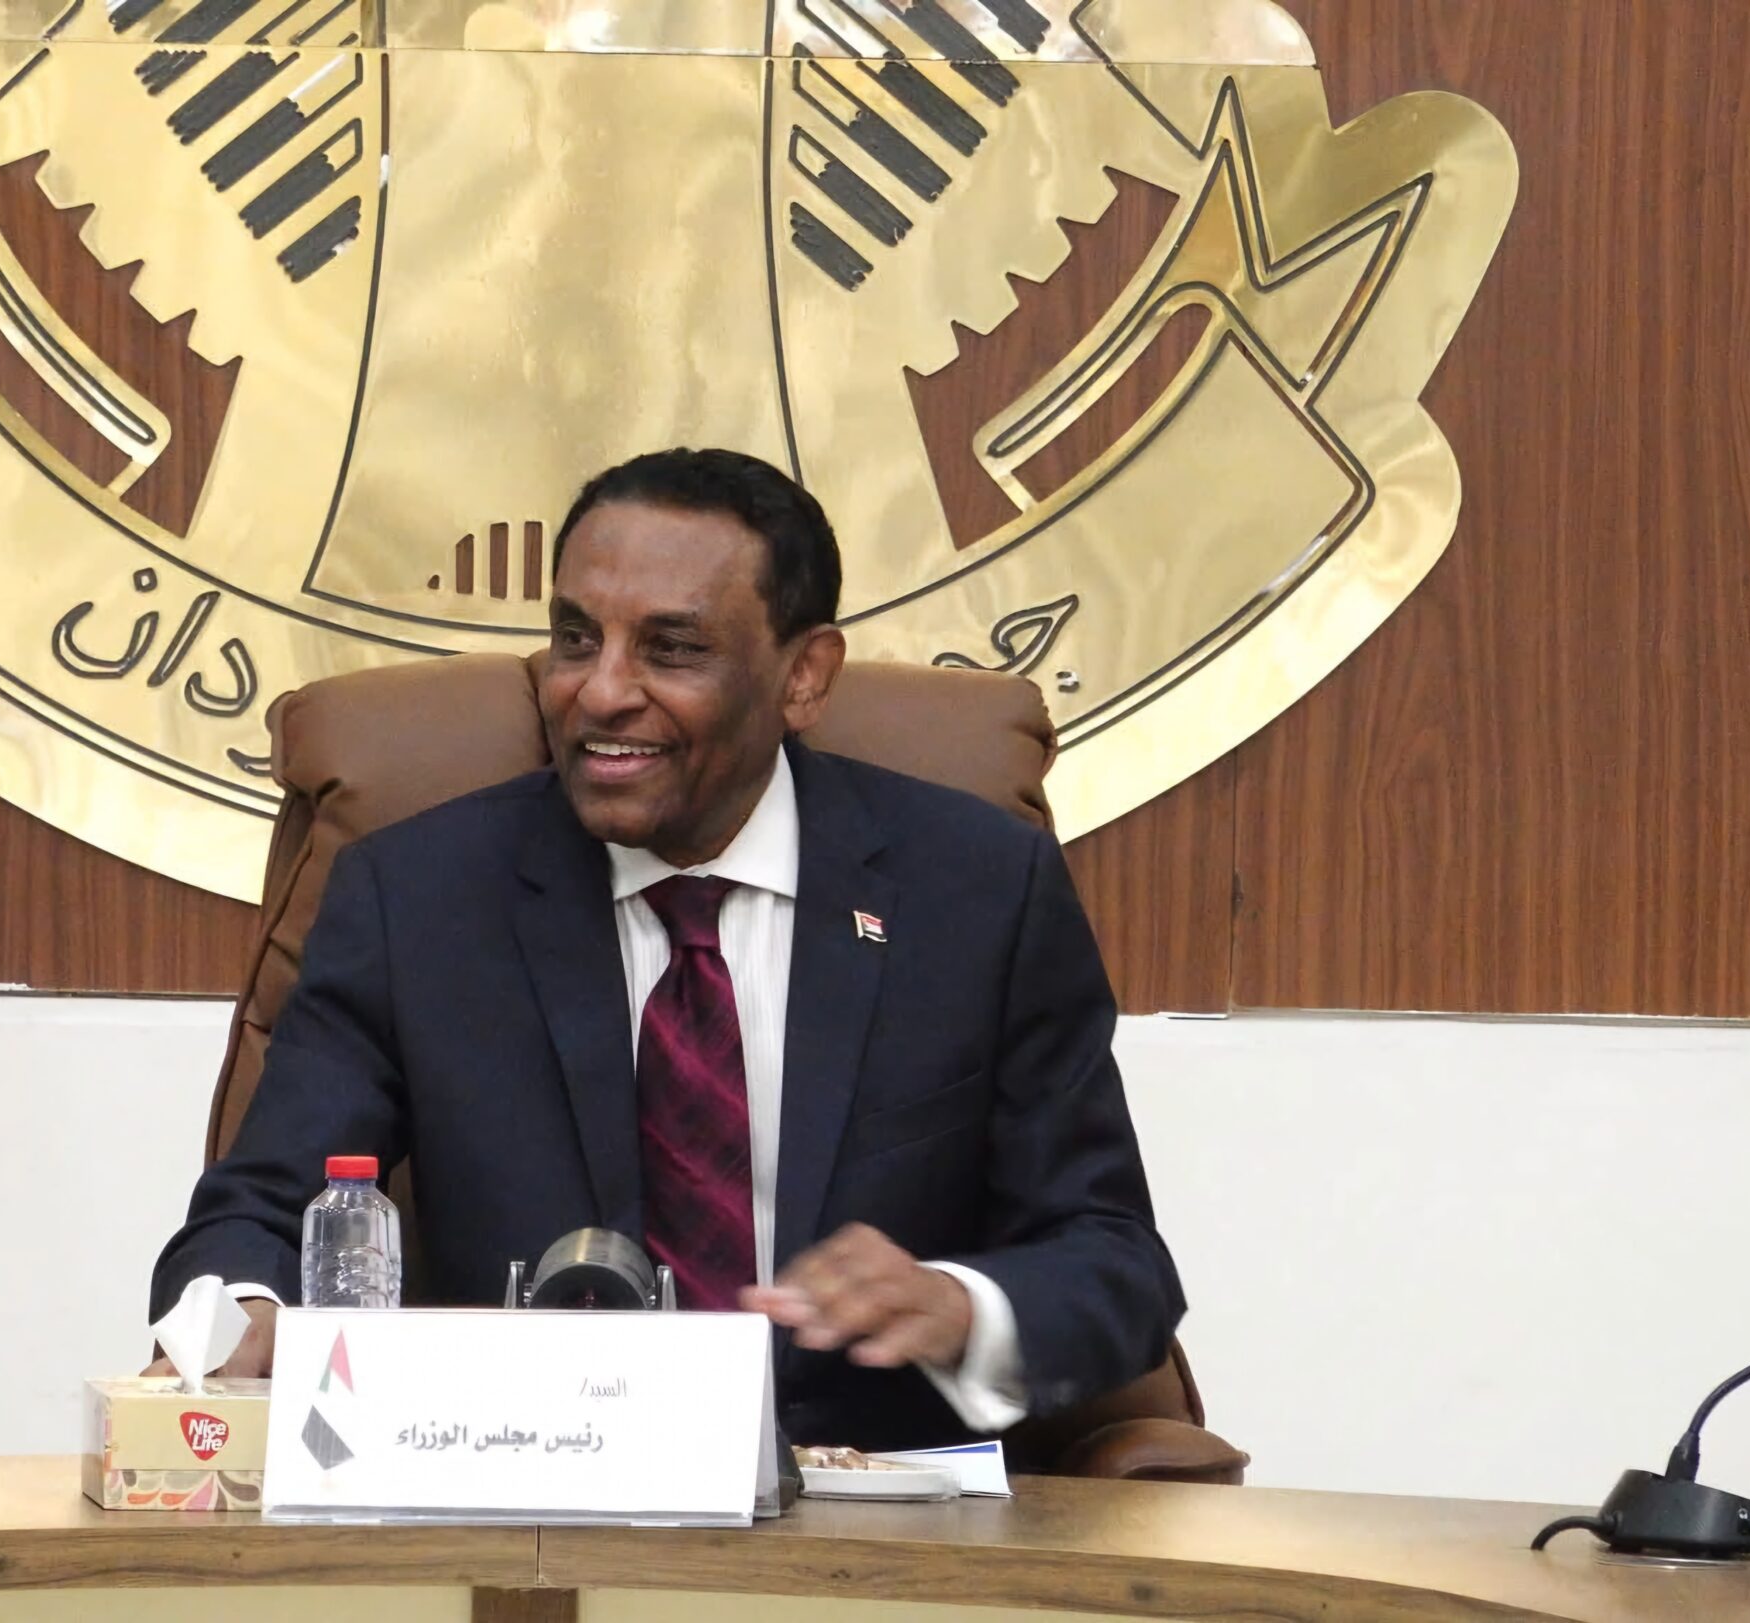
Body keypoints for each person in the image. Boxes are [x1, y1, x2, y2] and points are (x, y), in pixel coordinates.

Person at [151, 447, 1182, 1450]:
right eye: (574, 638)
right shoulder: (418, 898)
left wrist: (956, 1304)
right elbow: (256, 1211)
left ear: (804, 676)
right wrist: (242, 1316)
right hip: (536, 1492)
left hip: (866, 1513)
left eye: (672, 648)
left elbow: (1114, 1263)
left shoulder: (976, 894)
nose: (600, 692)